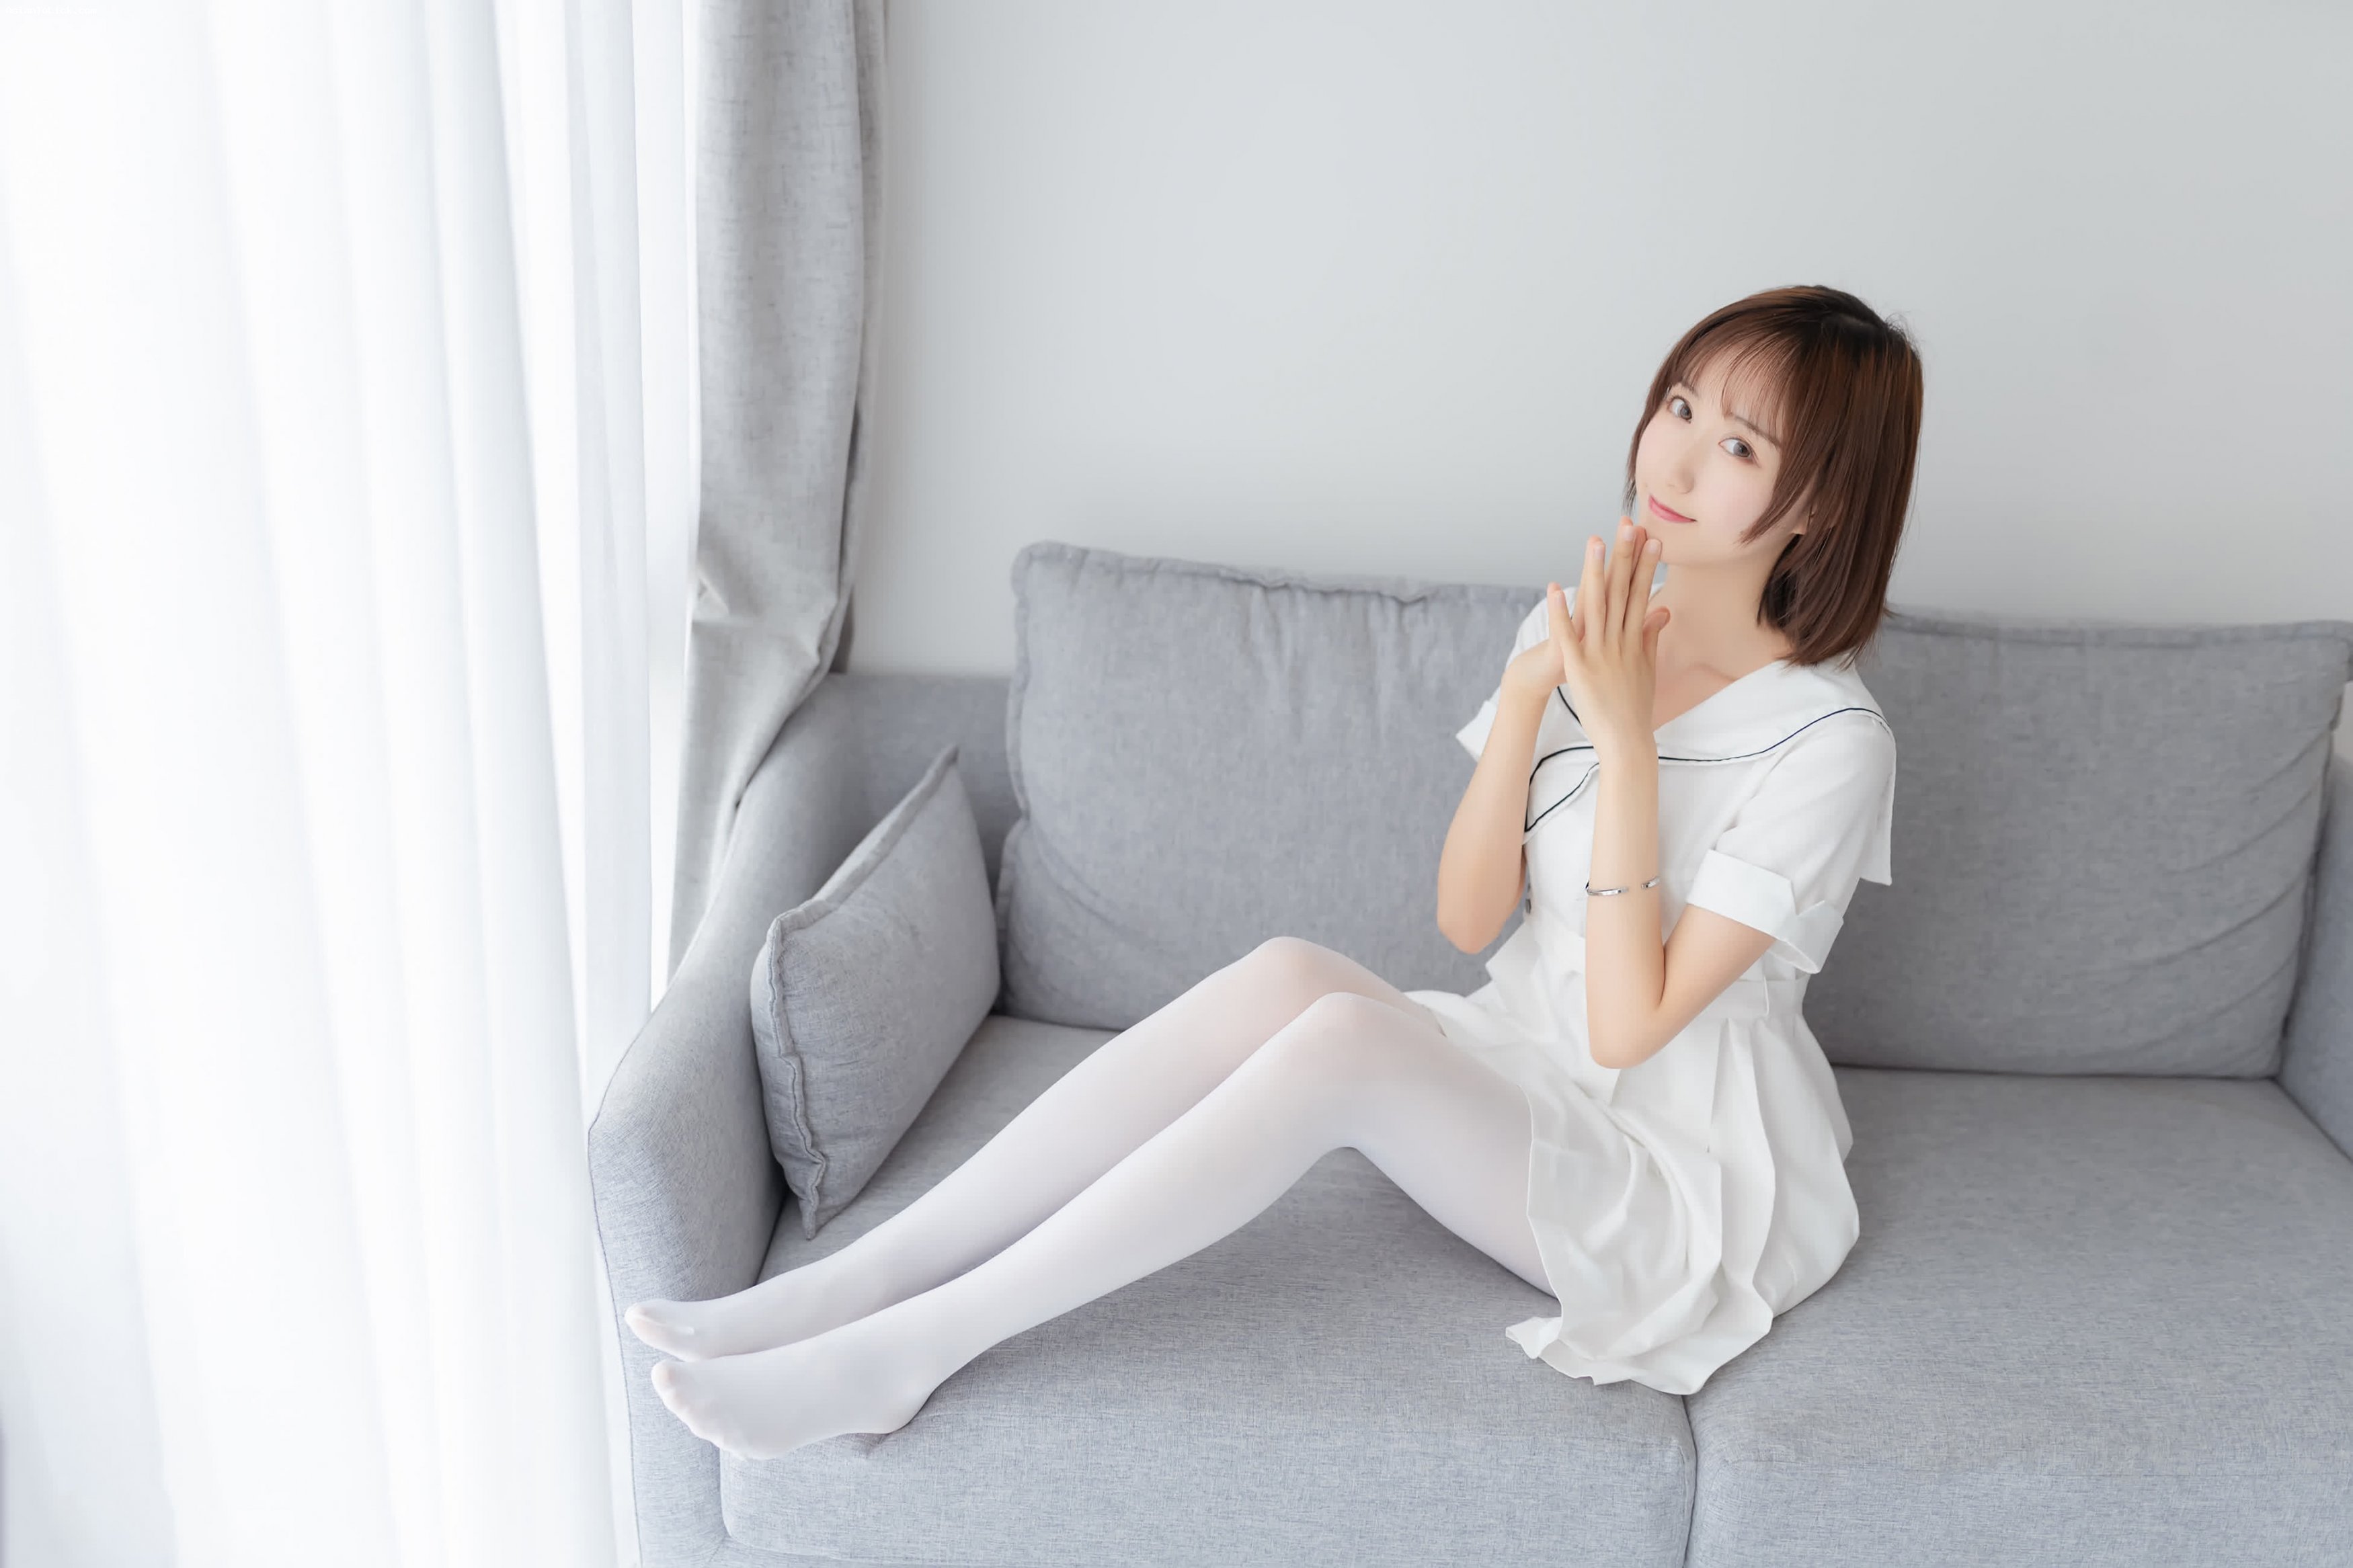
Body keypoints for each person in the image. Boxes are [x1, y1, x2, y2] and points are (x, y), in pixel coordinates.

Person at [628, 283, 1925, 1458]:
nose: (1675, 457)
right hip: (1527, 1058)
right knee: (1291, 973)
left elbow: (1629, 1024)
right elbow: (1469, 917)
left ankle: (908, 1351)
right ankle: (861, 1280)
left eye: (1739, 446)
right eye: (1680, 405)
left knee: (1343, 1049)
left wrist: (1629, 744)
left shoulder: (1830, 743)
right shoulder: (1585, 625)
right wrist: (1539, 691)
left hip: (1674, 1172)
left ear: (1821, 504)